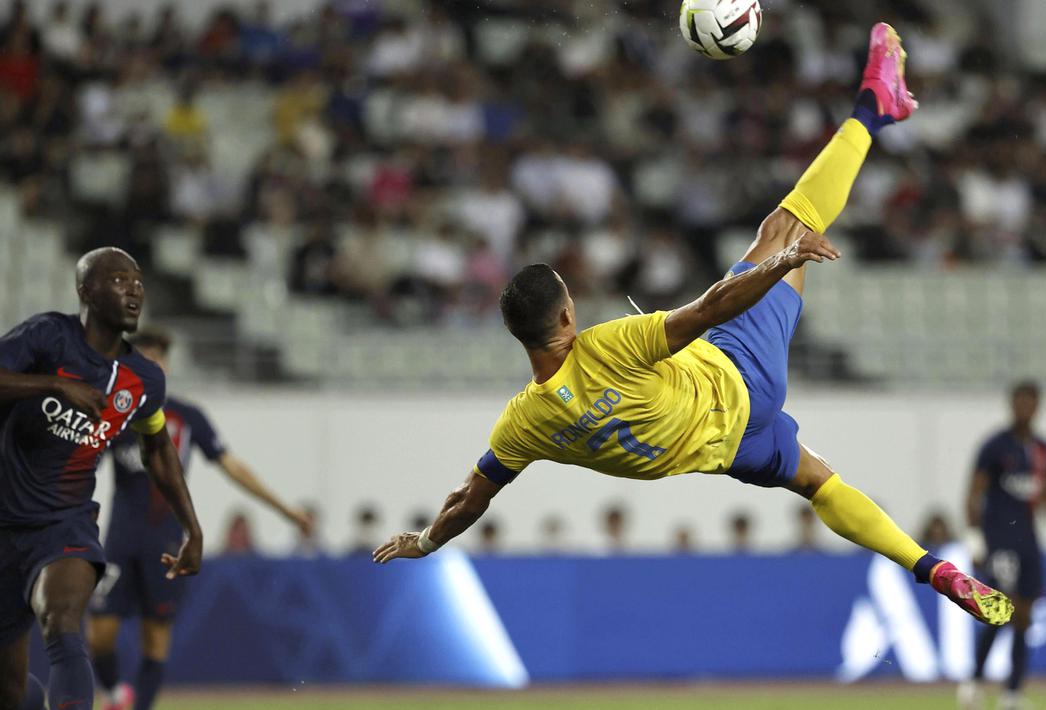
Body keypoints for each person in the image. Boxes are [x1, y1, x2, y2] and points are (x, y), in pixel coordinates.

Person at [373, 25, 1012, 633]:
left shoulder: (523, 424)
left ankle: (933, 569)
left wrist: (424, 541)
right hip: (738, 375)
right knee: (782, 227)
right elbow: (710, 309)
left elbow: (469, 499)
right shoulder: (606, 349)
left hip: (730, 452)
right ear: (566, 317)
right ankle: (878, 103)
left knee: (820, 484)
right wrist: (783, 263)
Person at [0, 247, 202, 710]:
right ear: (86, 290)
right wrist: (53, 384)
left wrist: (191, 526)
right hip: (6, 524)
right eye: (119, 280)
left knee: (62, 618)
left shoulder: (144, 380)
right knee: (10, 692)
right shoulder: (48, 336)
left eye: (138, 282)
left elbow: (158, 449)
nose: (134, 290)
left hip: (64, 525)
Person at [87, 328, 313, 710]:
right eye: (144, 357)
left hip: (169, 542)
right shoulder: (115, 414)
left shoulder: (187, 417)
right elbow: (82, 461)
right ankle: (113, 694)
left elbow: (233, 466)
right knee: (99, 635)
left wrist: (285, 509)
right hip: (120, 541)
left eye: (158, 357)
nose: (152, 364)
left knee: (155, 638)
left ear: (168, 365)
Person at [958, 380, 1046, 710]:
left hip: (1028, 539)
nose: (1025, 408)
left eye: (1031, 402)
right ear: (1012, 405)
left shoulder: (1044, 450)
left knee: (1025, 615)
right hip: (999, 537)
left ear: (1038, 406)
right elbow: (973, 494)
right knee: (1001, 610)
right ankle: (974, 682)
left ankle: (1011, 695)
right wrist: (975, 538)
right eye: (1020, 401)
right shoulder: (994, 447)